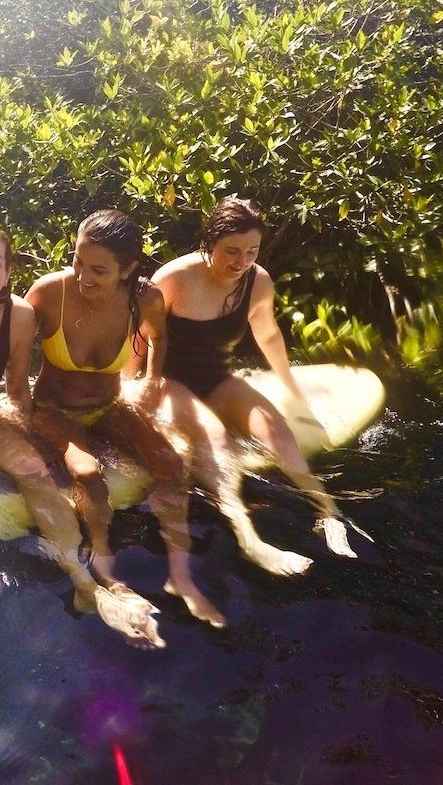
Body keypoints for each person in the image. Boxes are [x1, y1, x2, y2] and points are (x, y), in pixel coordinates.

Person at [0, 222, 163, 696]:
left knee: (34, 471)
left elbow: (17, 396)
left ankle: (86, 585)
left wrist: (42, 444)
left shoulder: (19, 317)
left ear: (8, 272)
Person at [25, 209, 227, 629]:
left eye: (98, 269)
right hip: (52, 411)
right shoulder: (49, 293)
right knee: (86, 470)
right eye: (78, 261)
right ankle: (106, 572)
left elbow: (159, 337)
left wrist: (153, 380)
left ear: (128, 268)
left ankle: (180, 575)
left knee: (171, 464)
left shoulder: (145, 299)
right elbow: (7, 344)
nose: (83, 275)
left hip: (109, 405)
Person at [148, 197, 361, 558]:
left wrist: (292, 389)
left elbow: (268, 335)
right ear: (210, 242)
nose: (241, 262)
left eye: (251, 251)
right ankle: (250, 540)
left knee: (277, 429)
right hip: (172, 384)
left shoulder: (257, 282)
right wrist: (135, 389)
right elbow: (143, 338)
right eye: (231, 251)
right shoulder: (172, 279)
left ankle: (329, 512)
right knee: (216, 439)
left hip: (218, 380)